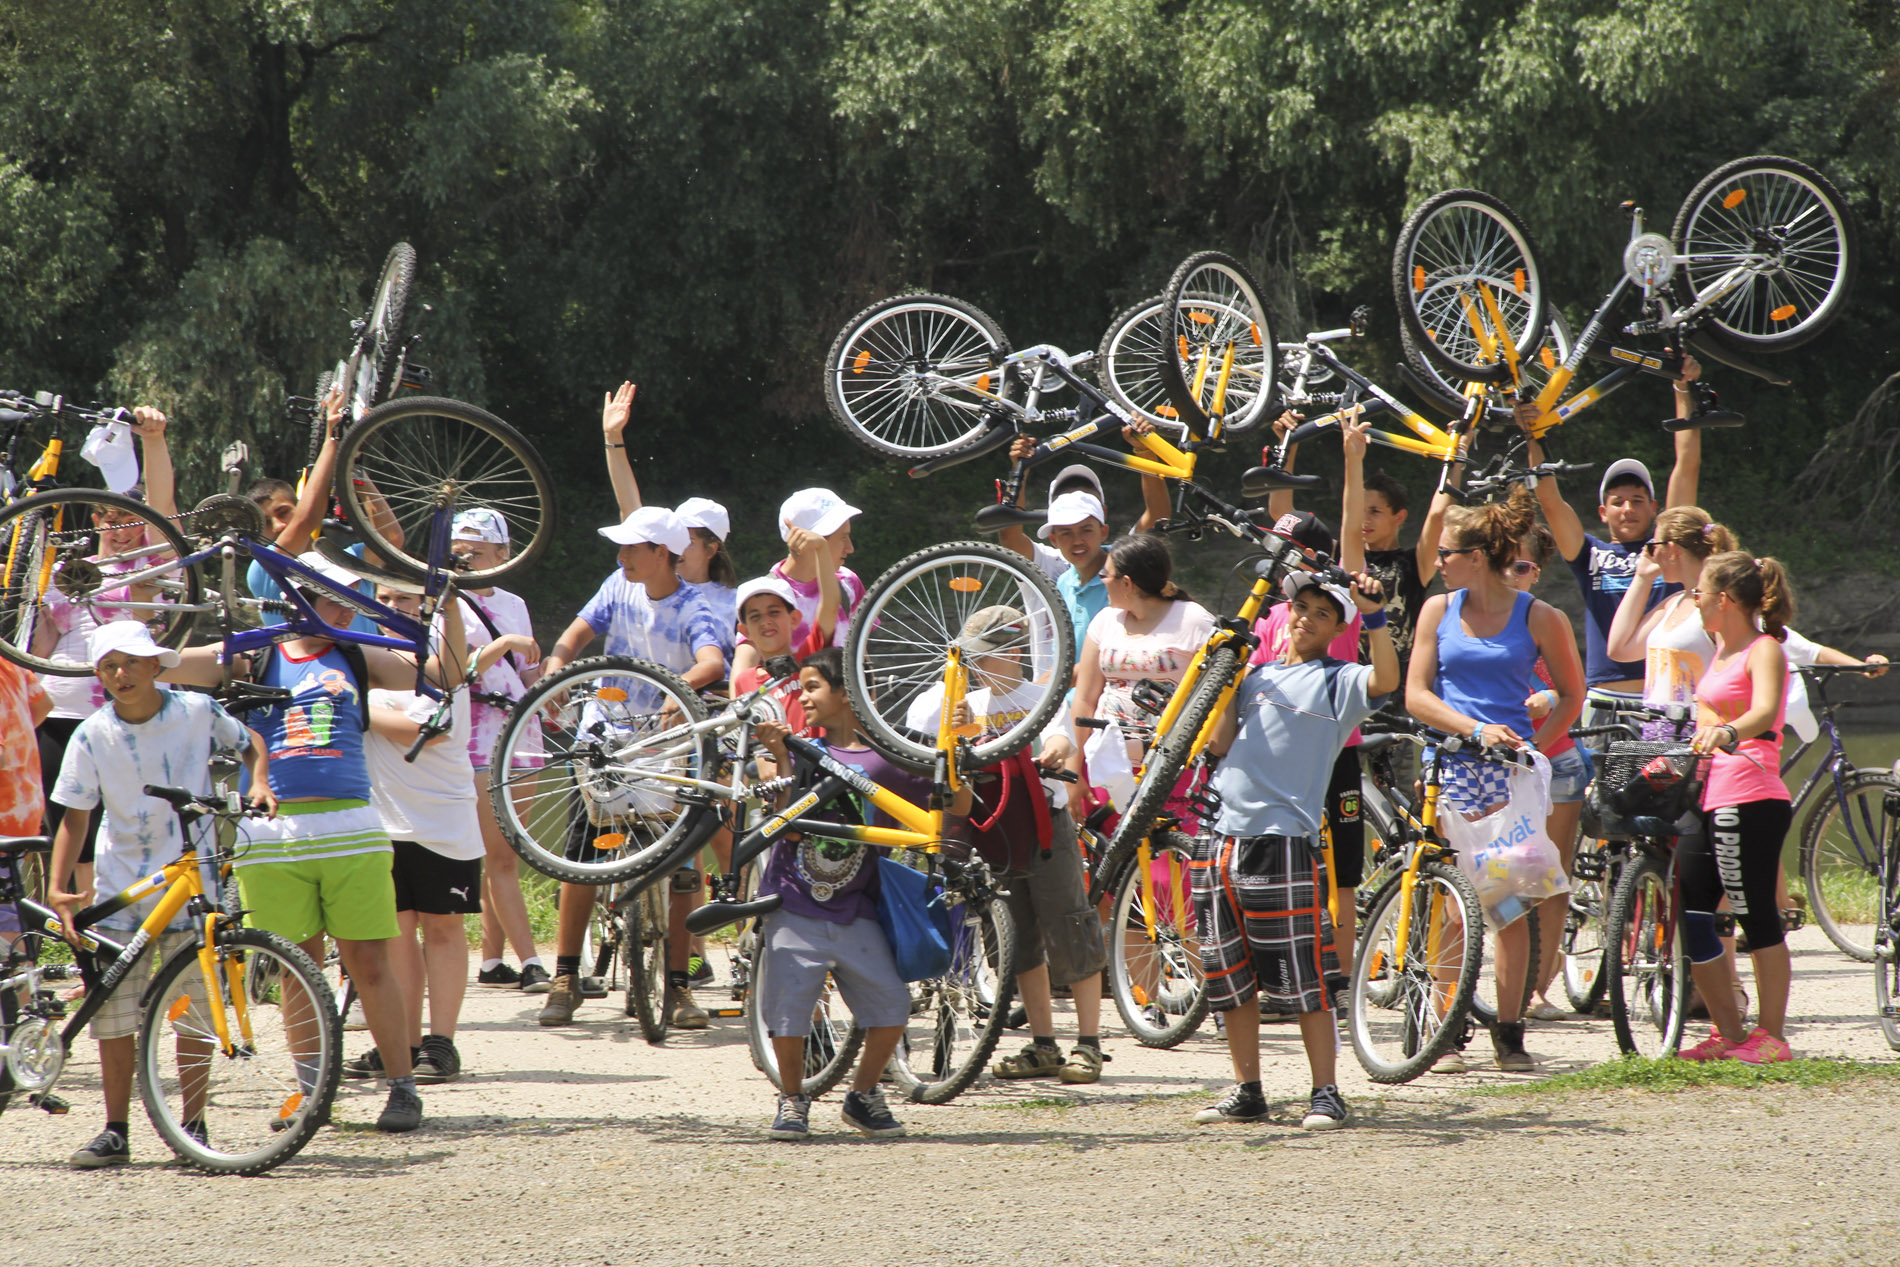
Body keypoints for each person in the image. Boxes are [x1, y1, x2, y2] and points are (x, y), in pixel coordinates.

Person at [160, 552, 469, 1133]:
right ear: (295, 595)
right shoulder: (254, 652)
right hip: (275, 836)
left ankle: (402, 1089)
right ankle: (309, 1095)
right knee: (295, 969)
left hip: (351, 827)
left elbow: (446, 674)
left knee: (370, 963)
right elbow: (167, 665)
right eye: (333, 594)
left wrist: (448, 598)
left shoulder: (356, 650)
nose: (345, 605)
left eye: (351, 595)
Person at [47, 622, 272, 1167]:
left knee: (195, 1013)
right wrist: (57, 887)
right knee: (115, 1018)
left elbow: (250, 744)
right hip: (123, 887)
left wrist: (259, 783)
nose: (120, 675)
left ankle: (191, 1126)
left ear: (156, 666)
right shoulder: (91, 733)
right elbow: (75, 819)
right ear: (98, 676)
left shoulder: (195, 711)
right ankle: (115, 1128)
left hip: (193, 887)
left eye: (130, 663)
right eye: (108, 666)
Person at [1195, 570, 1398, 1129]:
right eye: (1300, 607)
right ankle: (1247, 1089)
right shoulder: (1256, 677)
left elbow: (1386, 679)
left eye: (1322, 613)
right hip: (1221, 835)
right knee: (1228, 974)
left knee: (1306, 976)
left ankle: (1326, 1092)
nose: (1306, 617)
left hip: (1283, 840)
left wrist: (1374, 615)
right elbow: (1218, 742)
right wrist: (1226, 678)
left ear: (1337, 629)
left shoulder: (1339, 681)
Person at [1405, 489, 1582, 1073]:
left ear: (1477, 556)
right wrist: (1473, 728)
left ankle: (1510, 1032)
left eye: (1448, 552)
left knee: (1509, 904)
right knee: (1452, 904)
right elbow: (1416, 695)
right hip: (1448, 770)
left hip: (1508, 778)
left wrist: (1535, 744)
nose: (1438, 561)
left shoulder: (1539, 616)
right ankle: (1446, 1028)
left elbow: (1573, 694)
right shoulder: (1437, 610)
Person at [536, 506, 727, 1029]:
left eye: (631, 548)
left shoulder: (695, 605)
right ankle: (566, 977)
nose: (620, 556)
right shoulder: (616, 586)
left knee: (684, 861)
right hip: (605, 729)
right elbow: (577, 633)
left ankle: (681, 987)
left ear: (662, 554)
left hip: (664, 737)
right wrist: (556, 665)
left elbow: (712, 662)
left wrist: (680, 688)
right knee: (581, 851)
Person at [903, 607, 1103, 1084]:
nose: (975, 665)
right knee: (1017, 940)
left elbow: (1060, 734)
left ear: (1013, 652)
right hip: (989, 827)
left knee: (1071, 926)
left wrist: (1057, 748)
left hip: (1044, 824)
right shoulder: (959, 698)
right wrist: (955, 719)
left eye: (983, 656)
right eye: (971, 657)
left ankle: (1090, 1045)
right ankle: (1043, 1045)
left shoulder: (1041, 695)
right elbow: (926, 729)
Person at [750, 649, 928, 1139]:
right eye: (800, 687)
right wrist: (783, 758)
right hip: (794, 901)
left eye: (812, 687)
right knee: (790, 1009)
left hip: (858, 906)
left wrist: (959, 743)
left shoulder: (890, 759)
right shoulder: (806, 750)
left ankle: (863, 1093)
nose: (801, 697)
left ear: (847, 694)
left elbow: (943, 804)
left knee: (892, 1005)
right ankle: (791, 1098)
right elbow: (783, 829)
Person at [36, 405, 178, 908]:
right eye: (108, 517)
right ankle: (83, 947)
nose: (119, 530)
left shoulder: (153, 567)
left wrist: (154, 440)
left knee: (123, 827)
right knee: (69, 832)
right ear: (94, 517)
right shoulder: (70, 571)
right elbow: (41, 650)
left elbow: (166, 509)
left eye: (130, 522)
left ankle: (129, 931)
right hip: (61, 713)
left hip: (122, 713)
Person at [350, 584, 482, 1085]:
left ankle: (441, 1043)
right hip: (382, 823)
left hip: (441, 823)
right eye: (388, 598)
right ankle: (399, 1043)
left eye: (408, 599)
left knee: (443, 928)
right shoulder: (366, 658)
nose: (398, 608)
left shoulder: (443, 663)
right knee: (397, 937)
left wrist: (354, 706)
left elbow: (425, 731)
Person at [1523, 359, 1703, 720]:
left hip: (1662, 700)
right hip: (1603, 698)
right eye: (1617, 502)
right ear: (1603, 512)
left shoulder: (1666, 546)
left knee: (1658, 779)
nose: (1627, 509)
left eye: (1637, 501)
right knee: (1602, 780)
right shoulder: (1588, 552)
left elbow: (1687, 465)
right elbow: (1550, 500)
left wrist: (1683, 390)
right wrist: (1533, 433)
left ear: (1653, 507)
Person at [1676, 552, 1798, 1065]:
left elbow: (1765, 710)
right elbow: (1705, 713)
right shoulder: (1720, 652)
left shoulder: (1763, 649)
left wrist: (1728, 731)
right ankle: (1729, 1031)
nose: (1694, 599)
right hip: (1710, 794)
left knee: (1756, 916)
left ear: (1723, 599)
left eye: (1699, 592)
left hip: (1751, 794)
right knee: (1693, 912)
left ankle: (1771, 1036)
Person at [447, 509, 551, 995]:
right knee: (502, 853)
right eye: (459, 547)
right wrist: (506, 642)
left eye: (477, 548)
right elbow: (452, 670)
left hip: (521, 729)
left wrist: (550, 684)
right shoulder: (448, 601)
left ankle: (491, 961)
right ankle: (532, 962)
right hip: (477, 728)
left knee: (504, 852)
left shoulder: (515, 603)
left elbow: (526, 674)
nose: (465, 556)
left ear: (503, 554)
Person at [1508, 524, 1591, 1021]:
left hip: (1556, 759)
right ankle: (1486, 986)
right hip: (1495, 763)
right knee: (1502, 874)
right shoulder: (1472, 618)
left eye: (1522, 566)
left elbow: (1573, 690)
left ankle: (1537, 988)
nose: (1511, 574)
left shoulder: (1547, 621)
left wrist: (1551, 699)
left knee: (1550, 876)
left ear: (1535, 574)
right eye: (1503, 563)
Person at [730, 489, 867, 689]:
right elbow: (742, 670)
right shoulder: (767, 595)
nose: (850, 548)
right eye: (843, 538)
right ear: (811, 541)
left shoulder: (848, 582)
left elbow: (862, 659)